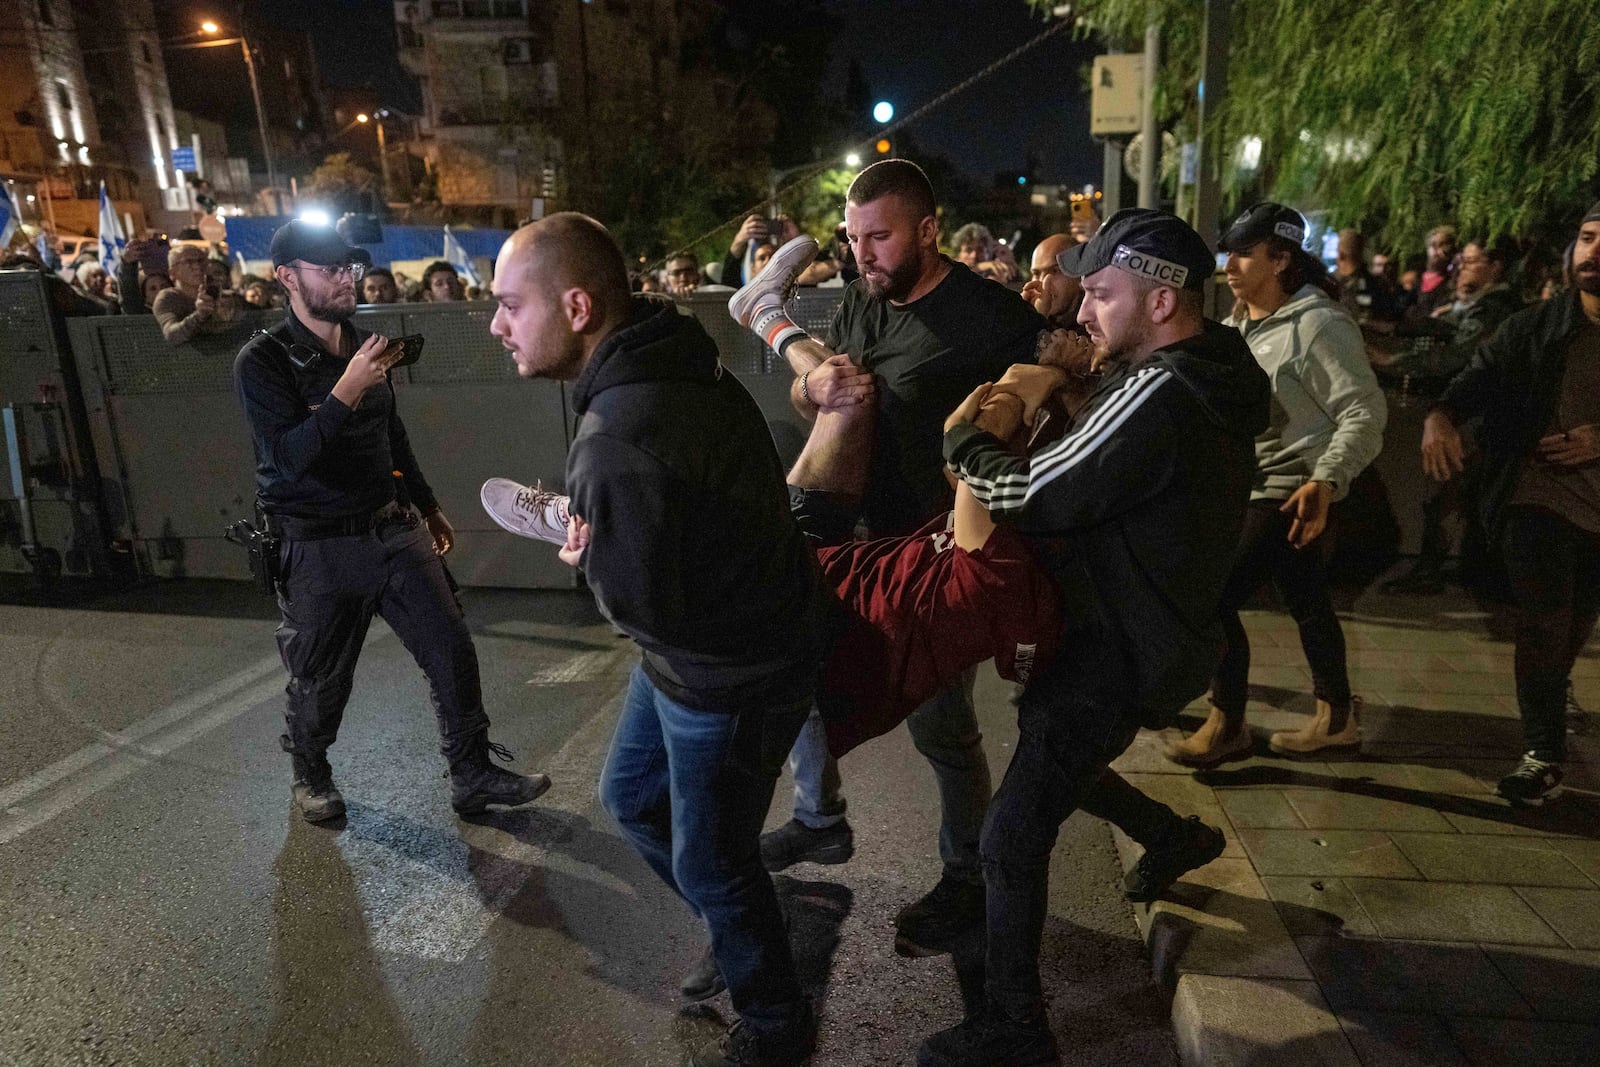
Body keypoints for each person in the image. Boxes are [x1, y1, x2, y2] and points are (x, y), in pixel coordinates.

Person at [918, 208, 1270, 1065]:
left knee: (1010, 832)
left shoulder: (1162, 386)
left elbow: (1039, 491)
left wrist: (965, 441)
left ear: (1161, 303)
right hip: (1147, 632)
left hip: (1117, 641)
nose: (1082, 312)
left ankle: (1015, 1027)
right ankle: (1174, 835)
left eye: (1103, 294)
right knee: (1058, 753)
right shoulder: (1216, 374)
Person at [487, 212, 828, 1067]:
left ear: (575, 305)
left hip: (725, 668)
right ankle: (748, 916)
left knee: (713, 860)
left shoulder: (616, 440)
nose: (495, 325)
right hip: (720, 642)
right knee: (634, 797)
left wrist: (592, 555)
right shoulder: (670, 350)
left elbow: (642, 609)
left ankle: (777, 1021)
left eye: (507, 305)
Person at [727, 158, 1047, 957]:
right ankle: (818, 818)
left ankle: (966, 875)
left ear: (928, 231)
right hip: (857, 533)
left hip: (937, 552)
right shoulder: (867, 303)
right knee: (794, 671)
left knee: (943, 729)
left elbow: (1047, 404)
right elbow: (812, 402)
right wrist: (816, 385)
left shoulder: (990, 318)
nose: (862, 253)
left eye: (880, 236)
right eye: (853, 237)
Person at [232, 219, 548, 824]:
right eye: (330, 270)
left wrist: (427, 505)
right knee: (321, 678)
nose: (346, 279)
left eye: (349, 268)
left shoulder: (365, 344)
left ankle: (472, 773)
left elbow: (390, 435)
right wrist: (344, 390)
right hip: (316, 546)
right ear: (288, 278)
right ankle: (311, 773)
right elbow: (288, 460)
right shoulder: (263, 361)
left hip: (392, 529)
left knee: (450, 648)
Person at [1165, 203, 1385, 767]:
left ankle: (1227, 721)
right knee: (1307, 601)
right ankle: (1336, 717)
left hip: (1286, 490)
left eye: (1243, 253)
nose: (1229, 265)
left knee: (1210, 597)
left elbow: (1363, 411)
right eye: (1229, 252)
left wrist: (1326, 482)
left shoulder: (1319, 325)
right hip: (1251, 486)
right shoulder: (1242, 327)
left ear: (1281, 258)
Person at [1421, 203, 1600, 806]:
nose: (1593, 251)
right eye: (1587, 237)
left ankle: (1553, 697)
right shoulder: (1537, 326)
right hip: (1538, 497)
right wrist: (1441, 416)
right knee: (1544, 622)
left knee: (1575, 623)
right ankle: (1543, 751)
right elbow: (1479, 376)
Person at [1383, 240, 1527, 595]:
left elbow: (1461, 357)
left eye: (1472, 261)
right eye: (1461, 260)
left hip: (1484, 417)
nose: (1461, 267)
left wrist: (1391, 362)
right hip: (1485, 415)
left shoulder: (1495, 307)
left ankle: (1433, 571)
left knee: (1448, 491)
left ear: (1496, 266)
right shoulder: (1484, 305)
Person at [154, 245, 241, 343]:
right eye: (189, 262)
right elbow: (172, 335)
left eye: (201, 261)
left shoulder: (221, 293)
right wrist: (199, 315)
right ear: (172, 272)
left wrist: (234, 308)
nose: (197, 266)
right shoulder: (168, 298)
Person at [1021, 232, 1084, 332]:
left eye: (1054, 271)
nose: (1042, 282)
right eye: (1036, 273)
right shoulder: (1026, 318)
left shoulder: (1096, 326)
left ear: (1080, 275)